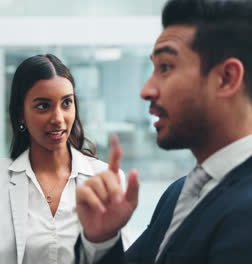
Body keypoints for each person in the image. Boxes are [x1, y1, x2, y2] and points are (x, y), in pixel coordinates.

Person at [74, 0, 252, 263]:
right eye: (153, 69)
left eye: (166, 67)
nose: (146, 90)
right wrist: (101, 240)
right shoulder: (180, 193)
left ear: (226, 78)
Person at [0, 54, 126, 264]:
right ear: (21, 113)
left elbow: (123, 257)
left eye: (66, 103)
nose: (58, 118)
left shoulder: (105, 178)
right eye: (43, 106)